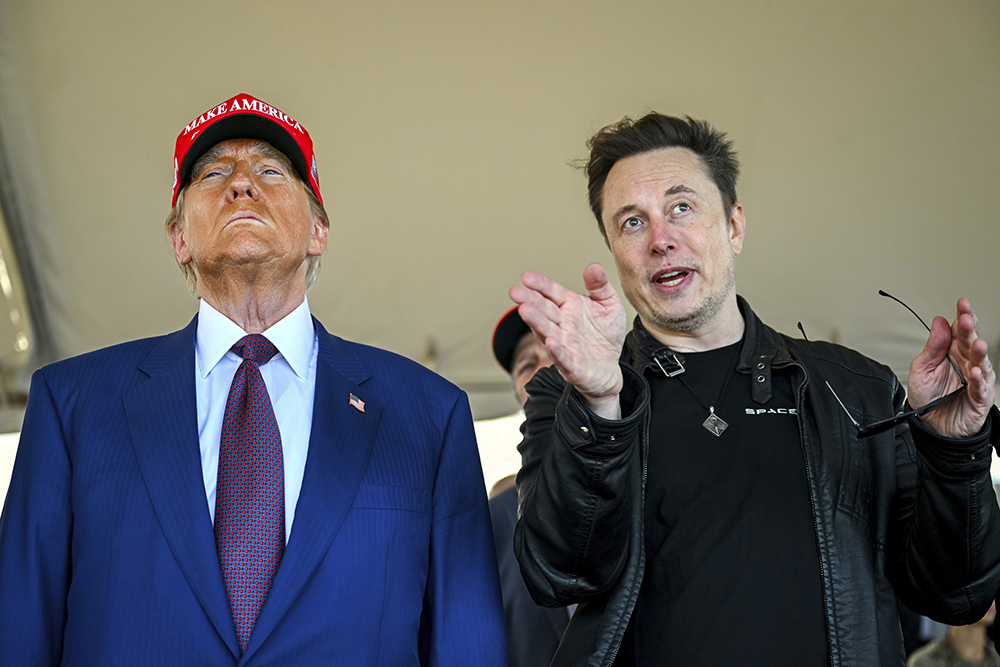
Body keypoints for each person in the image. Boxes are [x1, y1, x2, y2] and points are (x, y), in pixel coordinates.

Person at [0, 93, 506, 666]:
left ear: (318, 230)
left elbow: (468, 645)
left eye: (270, 170)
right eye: (214, 173)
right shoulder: (71, 405)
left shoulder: (428, 414)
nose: (241, 185)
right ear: (178, 238)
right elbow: (18, 632)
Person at [510, 113, 1000, 666]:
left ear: (735, 226)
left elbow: (956, 594)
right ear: (613, 250)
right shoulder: (569, 397)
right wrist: (600, 405)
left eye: (682, 207)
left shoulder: (856, 388)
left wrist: (954, 450)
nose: (660, 240)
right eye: (631, 222)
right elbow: (560, 575)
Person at [490, 306, 569, 667]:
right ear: (519, 394)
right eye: (527, 364)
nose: (545, 369)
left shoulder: (651, 477)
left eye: (558, 352)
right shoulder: (493, 518)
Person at [908, 603, 1000, 666]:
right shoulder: (926, 662)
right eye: (978, 589)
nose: (990, 599)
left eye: (993, 588)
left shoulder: (997, 659)